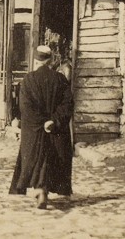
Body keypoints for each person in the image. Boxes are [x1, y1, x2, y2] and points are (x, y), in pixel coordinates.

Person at [9, 45, 73, 210]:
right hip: (54, 129)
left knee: (36, 157)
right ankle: (43, 190)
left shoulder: (28, 80)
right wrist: (53, 121)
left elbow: (26, 107)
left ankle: (40, 189)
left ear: (35, 60)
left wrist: (40, 122)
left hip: (34, 129)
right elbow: (67, 105)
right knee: (51, 157)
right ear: (50, 60)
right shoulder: (60, 79)